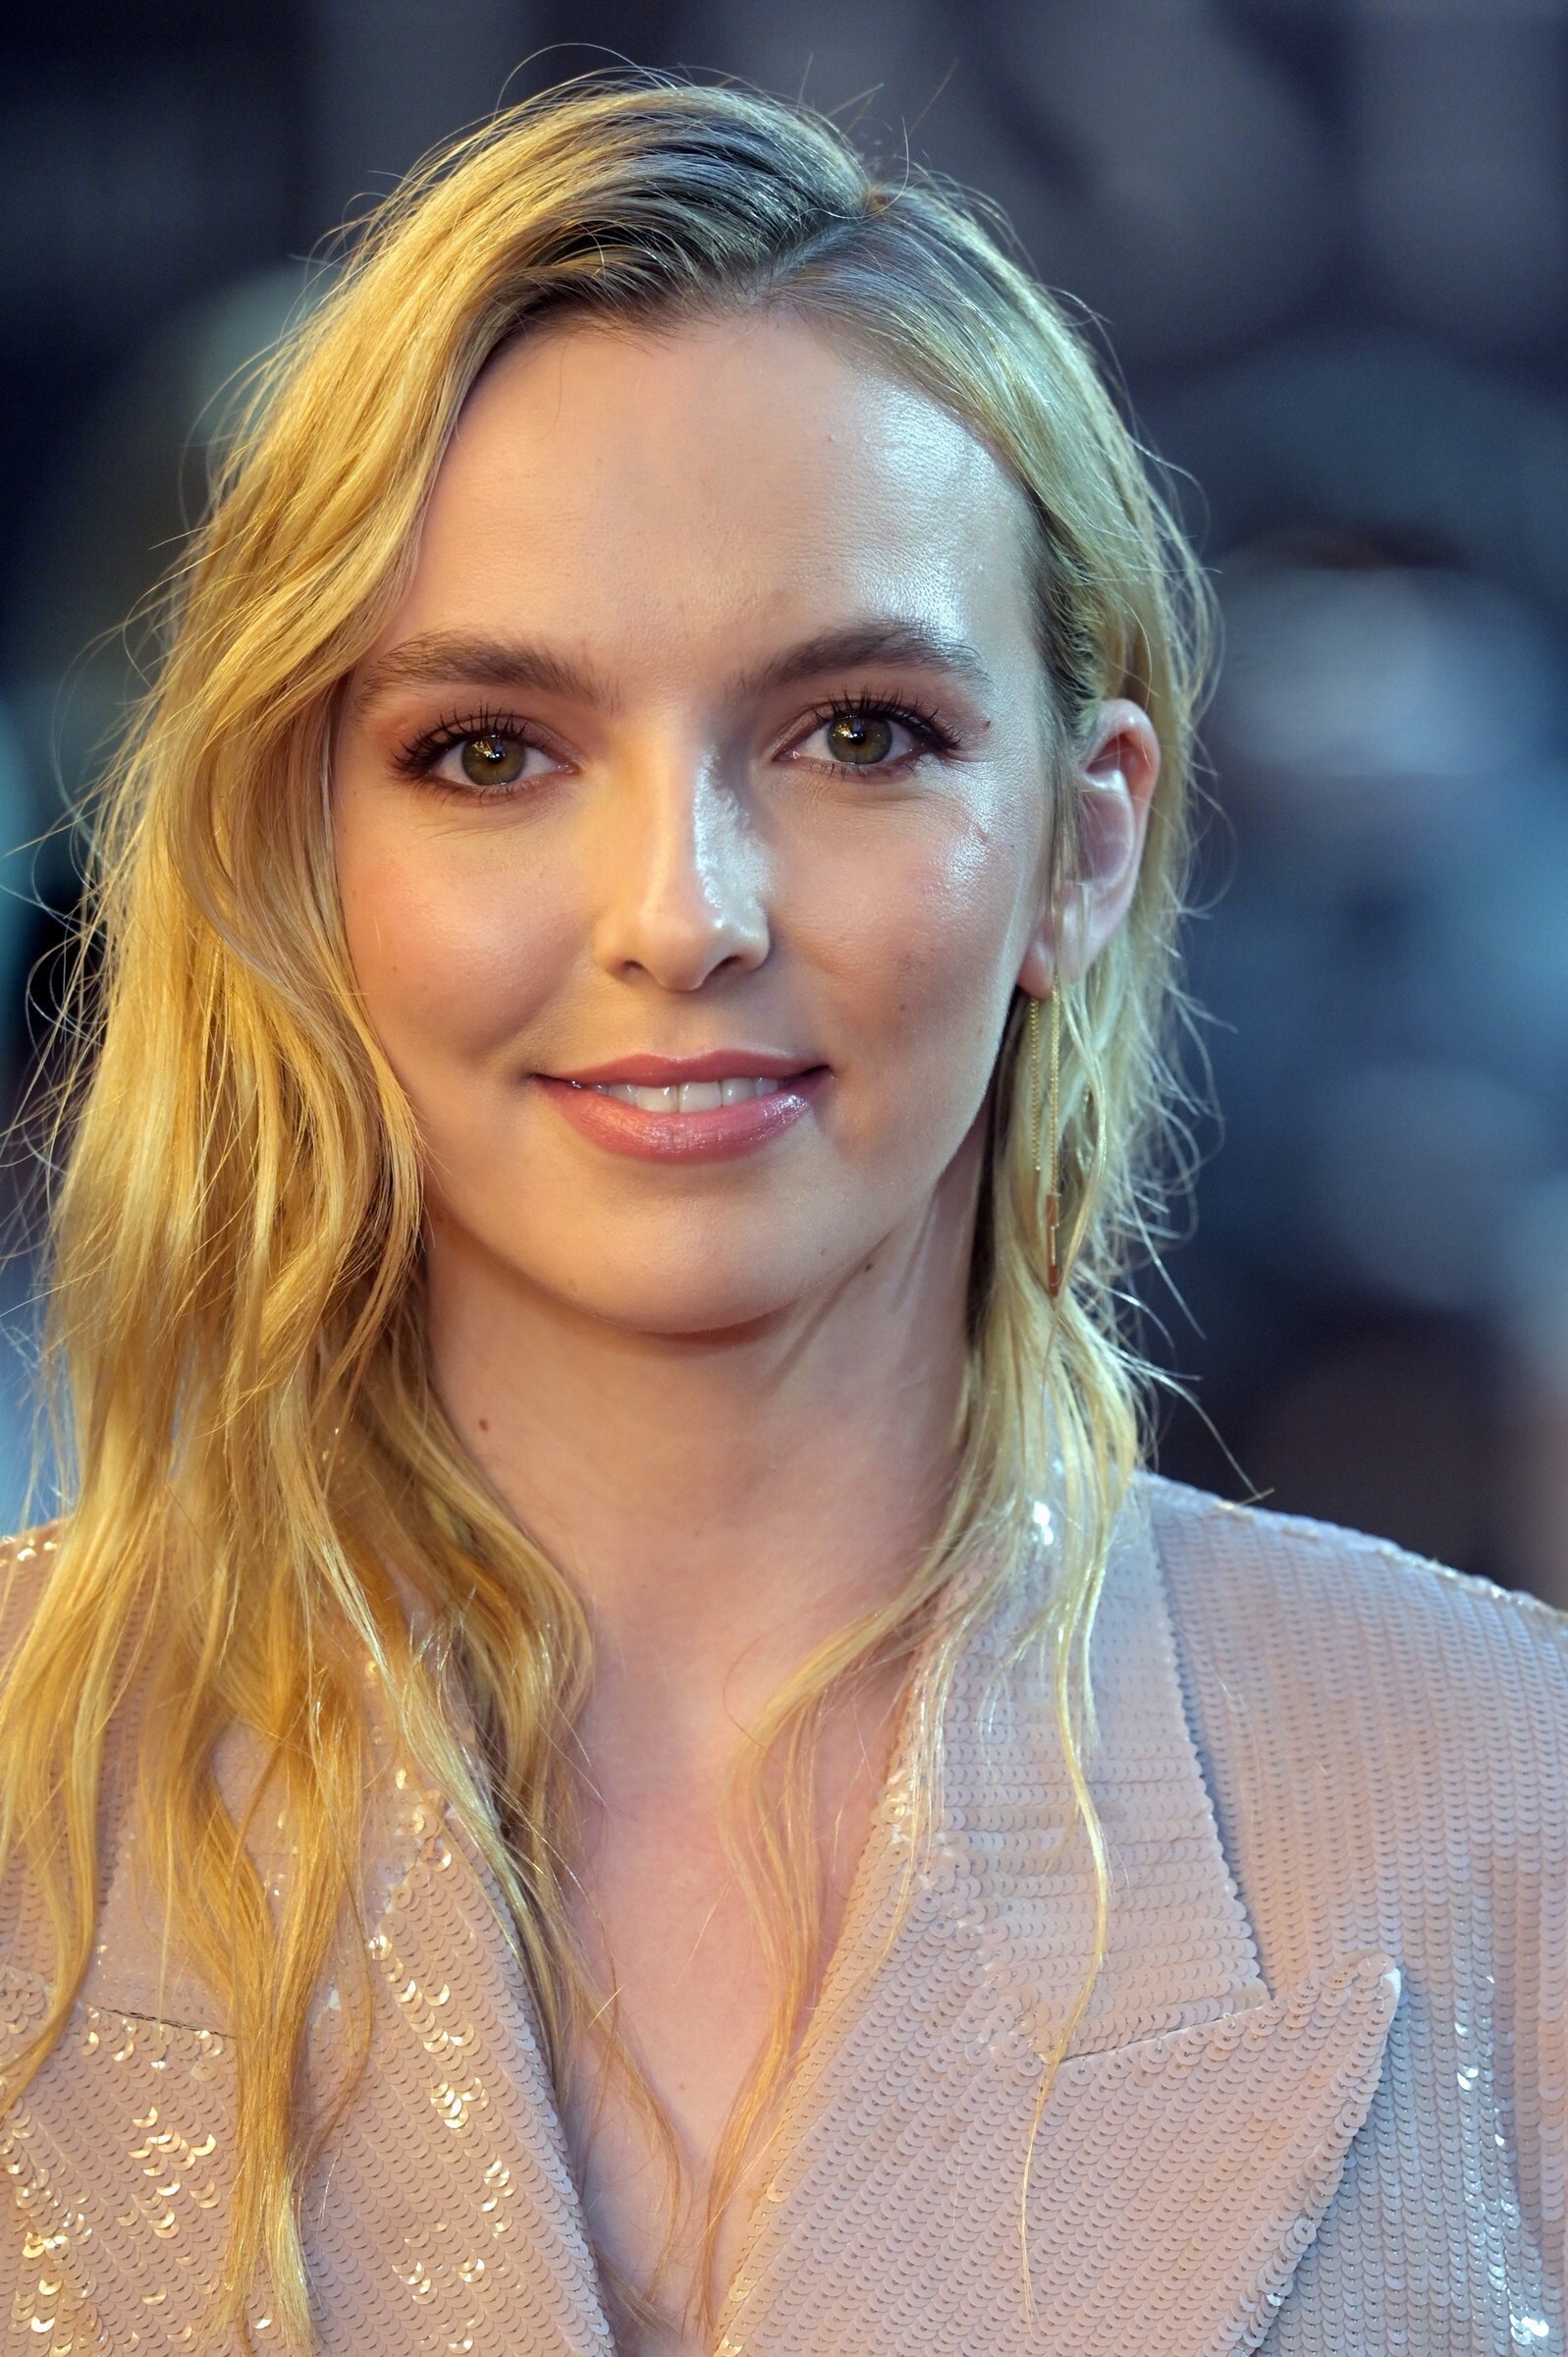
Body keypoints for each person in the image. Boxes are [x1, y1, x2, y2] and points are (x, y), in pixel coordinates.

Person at [0, 73, 1561, 2357]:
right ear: (301, 855)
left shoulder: (1504, 1805)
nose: (682, 912)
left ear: (1084, 847)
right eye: (490, 750)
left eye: (856, 734)